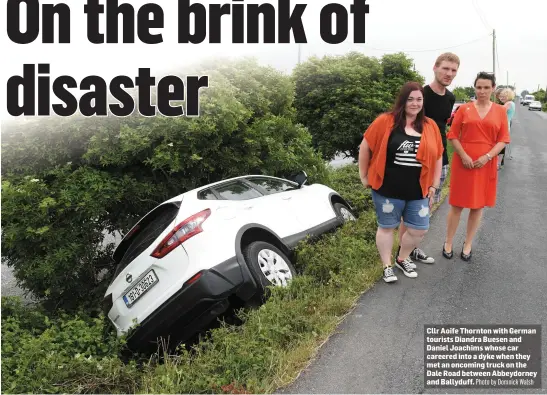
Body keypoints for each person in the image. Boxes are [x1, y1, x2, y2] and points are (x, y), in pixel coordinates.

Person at [359, 82, 444, 283]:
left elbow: (438, 156)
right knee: (387, 227)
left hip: (419, 190)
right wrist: (363, 176)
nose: (415, 103)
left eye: (419, 99)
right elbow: (365, 146)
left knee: (419, 229)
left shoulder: (430, 126)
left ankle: (402, 258)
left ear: (423, 102)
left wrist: (433, 185)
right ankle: (386, 266)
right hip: (387, 189)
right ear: (403, 100)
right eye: (410, 99)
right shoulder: (385, 121)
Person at [397, 52, 460, 266]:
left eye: (453, 70)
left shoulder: (450, 98)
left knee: (427, 205)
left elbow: (442, 128)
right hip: (416, 160)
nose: (449, 74)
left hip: (440, 159)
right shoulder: (421, 95)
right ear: (435, 67)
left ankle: (412, 248)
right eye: (445, 68)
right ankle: (402, 252)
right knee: (411, 206)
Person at [442, 72, 510, 261]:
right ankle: (448, 241)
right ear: (475, 88)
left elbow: (503, 139)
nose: (482, 91)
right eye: (479, 87)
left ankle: (468, 243)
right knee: (457, 204)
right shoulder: (464, 109)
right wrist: (463, 155)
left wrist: (487, 157)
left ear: (493, 89)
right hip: (463, 162)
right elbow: (453, 135)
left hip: (485, 164)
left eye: (486, 87)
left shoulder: (500, 111)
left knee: (477, 206)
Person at [497, 88, 516, 168]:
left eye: (503, 96)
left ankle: (498, 163)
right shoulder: (511, 103)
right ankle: (499, 163)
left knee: (500, 145)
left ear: (508, 96)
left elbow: (500, 112)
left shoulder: (508, 103)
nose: (501, 98)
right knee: (501, 144)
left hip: (503, 126)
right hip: (506, 125)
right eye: (501, 96)